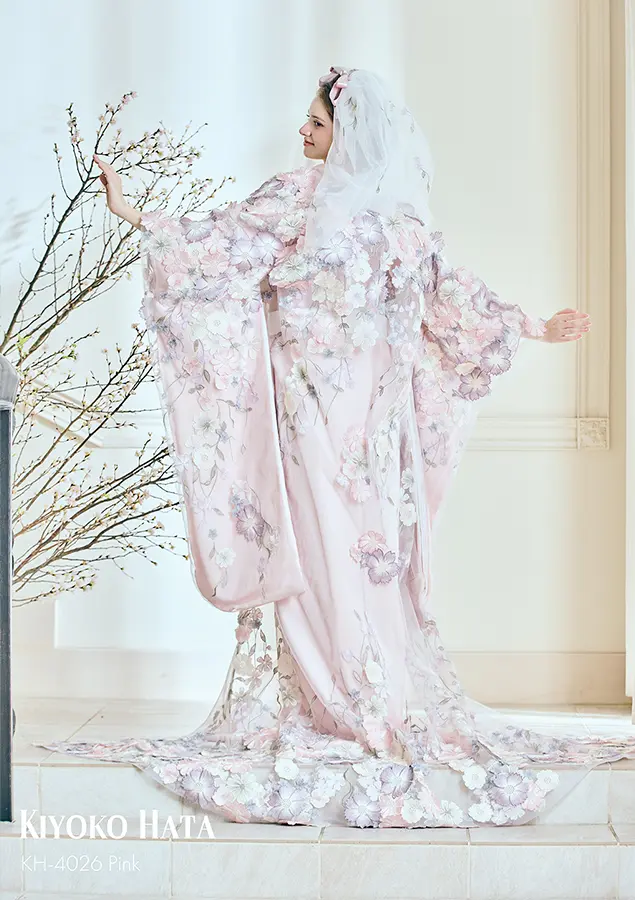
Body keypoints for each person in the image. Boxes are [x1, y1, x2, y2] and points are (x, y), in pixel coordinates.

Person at [37, 67, 635, 830]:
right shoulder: (298, 196)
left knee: (364, 558)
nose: (304, 132)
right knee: (312, 555)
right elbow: (216, 243)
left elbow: (452, 295)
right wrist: (134, 214)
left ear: (347, 131)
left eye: (316, 124)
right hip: (305, 418)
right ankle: (327, 702)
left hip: (368, 430)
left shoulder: (395, 224)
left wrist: (532, 326)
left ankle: (369, 698)